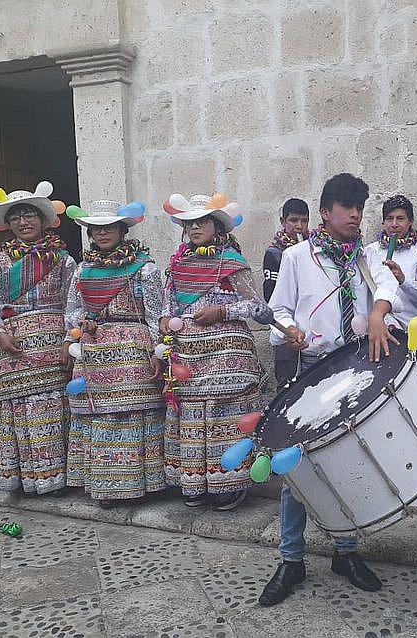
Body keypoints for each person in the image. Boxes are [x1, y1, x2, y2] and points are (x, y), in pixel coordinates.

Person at [259, 173, 398, 607]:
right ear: (326, 213)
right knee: (295, 466)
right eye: (346, 207)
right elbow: (277, 309)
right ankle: (291, 558)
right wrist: (290, 329)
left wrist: (378, 311)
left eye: (360, 207)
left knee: (347, 460)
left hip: (355, 367)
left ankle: (345, 552)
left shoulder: (366, 256)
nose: (356, 215)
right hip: (312, 366)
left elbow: (388, 286)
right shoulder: (298, 256)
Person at [161, 192, 269, 511]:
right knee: (193, 412)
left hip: (227, 354)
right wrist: (166, 319)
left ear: (215, 226)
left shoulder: (231, 261)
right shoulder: (177, 264)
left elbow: (256, 307)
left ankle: (229, 482)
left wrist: (221, 313)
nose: (194, 228)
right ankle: (194, 480)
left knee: (225, 413)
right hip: (188, 357)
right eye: (189, 223)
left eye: (201, 222)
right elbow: (168, 305)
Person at [63, 200, 166, 508]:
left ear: (123, 229)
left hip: (133, 349)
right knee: (99, 418)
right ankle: (106, 487)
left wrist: (157, 349)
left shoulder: (144, 269)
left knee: (133, 414)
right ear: (90, 232)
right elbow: (72, 311)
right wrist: (80, 324)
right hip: (94, 350)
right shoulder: (83, 270)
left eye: (109, 227)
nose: (103, 232)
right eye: (97, 228)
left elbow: (155, 313)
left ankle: (141, 484)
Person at [0, 181, 76, 495]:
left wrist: (67, 340)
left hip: (52, 343)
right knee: (20, 408)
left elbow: (73, 301)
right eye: (17, 217)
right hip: (14, 347)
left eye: (30, 215)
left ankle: (57, 479)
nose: (24, 222)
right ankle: (26, 477)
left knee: (54, 408)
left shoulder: (63, 260)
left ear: (43, 220)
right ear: (8, 224)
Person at [363, 194, 417, 326]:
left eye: (400, 219)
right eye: (390, 219)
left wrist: (402, 280)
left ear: (410, 221)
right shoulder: (370, 252)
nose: (394, 224)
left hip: (408, 330)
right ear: (383, 222)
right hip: (376, 328)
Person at [263, 198, 310, 384]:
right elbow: (271, 294)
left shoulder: (313, 249)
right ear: (283, 222)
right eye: (293, 220)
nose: (299, 226)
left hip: (309, 328)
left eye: (304, 221)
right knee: (287, 380)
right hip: (285, 328)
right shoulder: (274, 253)